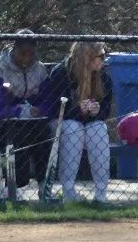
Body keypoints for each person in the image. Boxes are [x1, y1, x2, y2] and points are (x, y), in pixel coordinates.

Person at [0, 30, 50, 200]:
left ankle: (43, 184)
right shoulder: (0, 71)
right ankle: (15, 186)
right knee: (19, 135)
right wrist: (19, 111)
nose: (26, 58)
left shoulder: (40, 71)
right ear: (14, 49)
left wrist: (40, 110)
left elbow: (49, 99)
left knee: (44, 134)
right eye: (22, 53)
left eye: (31, 53)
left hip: (32, 124)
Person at [41, 42, 115, 202]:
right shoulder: (62, 72)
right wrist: (76, 109)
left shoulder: (103, 76)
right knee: (73, 128)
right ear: (86, 57)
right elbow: (54, 109)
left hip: (89, 122)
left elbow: (106, 110)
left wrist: (97, 111)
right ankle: (68, 191)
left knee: (99, 128)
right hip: (63, 122)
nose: (104, 60)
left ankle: (101, 194)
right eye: (100, 56)